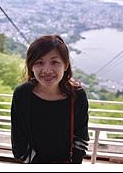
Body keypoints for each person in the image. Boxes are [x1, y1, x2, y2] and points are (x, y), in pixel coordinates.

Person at [11, 35, 89, 164]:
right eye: (39, 62)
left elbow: (81, 137)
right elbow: (18, 139)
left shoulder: (77, 95)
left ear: (65, 65)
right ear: (31, 66)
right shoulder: (22, 94)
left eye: (54, 62)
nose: (47, 70)